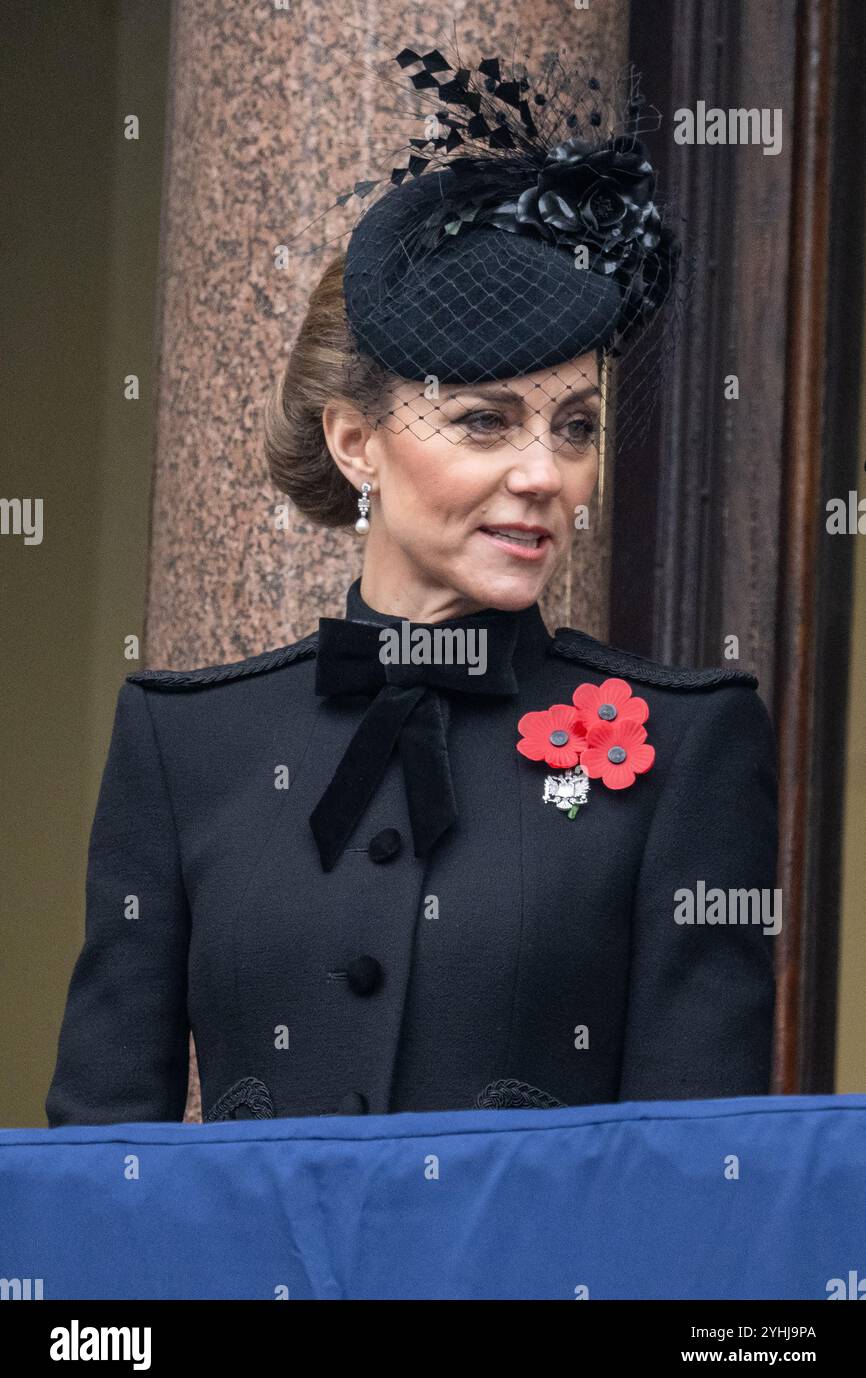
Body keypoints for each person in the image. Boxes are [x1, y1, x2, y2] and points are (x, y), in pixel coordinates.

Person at [46, 48, 776, 1126]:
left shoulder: (686, 746)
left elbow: (691, 1179)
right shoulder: (183, 744)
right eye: (484, 420)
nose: (544, 474)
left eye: (572, 427)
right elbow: (107, 1162)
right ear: (356, 443)